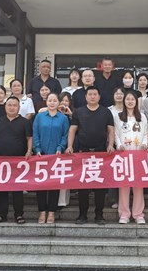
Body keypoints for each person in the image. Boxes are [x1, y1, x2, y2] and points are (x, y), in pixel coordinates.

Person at [66, 86, 115, 225]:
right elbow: (72, 130)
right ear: (86, 97)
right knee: (83, 186)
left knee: (100, 186)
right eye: (90, 94)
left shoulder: (106, 112)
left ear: (99, 97)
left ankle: (99, 215)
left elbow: (111, 130)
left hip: (101, 153)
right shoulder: (79, 111)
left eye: (95, 94)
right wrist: (69, 146)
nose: (92, 96)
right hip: (83, 153)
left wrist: (111, 144)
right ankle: (82, 215)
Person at [0, 96, 33, 224]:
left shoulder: (25, 122)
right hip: (0, 160)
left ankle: (19, 215)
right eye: (9, 105)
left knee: (18, 190)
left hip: (18, 162)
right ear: (5, 107)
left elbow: (29, 138)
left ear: (19, 107)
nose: (12, 108)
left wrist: (29, 151)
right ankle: (2, 214)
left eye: (14, 105)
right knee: (1, 189)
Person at [32, 92, 70, 224]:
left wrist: (60, 147)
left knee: (54, 184)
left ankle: (52, 212)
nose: (52, 103)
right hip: (41, 155)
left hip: (56, 155)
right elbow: (35, 133)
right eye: (50, 100)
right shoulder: (40, 117)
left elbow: (65, 135)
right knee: (41, 184)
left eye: (54, 100)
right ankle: (42, 211)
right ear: (46, 102)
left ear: (59, 102)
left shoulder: (63, 118)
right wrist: (37, 149)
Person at [114, 91, 148, 224]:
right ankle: (124, 214)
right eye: (127, 99)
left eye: (132, 99)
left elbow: (146, 133)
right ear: (124, 101)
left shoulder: (142, 117)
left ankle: (138, 214)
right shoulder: (118, 117)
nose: (130, 101)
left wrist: (145, 143)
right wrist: (119, 145)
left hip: (138, 154)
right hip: (124, 155)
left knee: (138, 185)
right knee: (124, 185)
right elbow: (115, 133)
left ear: (136, 102)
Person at [57, 91, 74, 209]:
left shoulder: (72, 114)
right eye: (62, 100)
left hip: (67, 147)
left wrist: (70, 114)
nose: (64, 103)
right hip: (55, 147)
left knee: (64, 174)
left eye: (66, 101)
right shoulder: (53, 113)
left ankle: (62, 201)